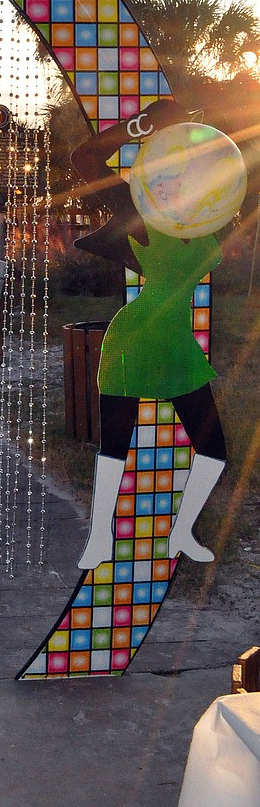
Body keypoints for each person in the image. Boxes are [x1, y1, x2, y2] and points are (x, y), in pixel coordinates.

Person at [72, 100, 237, 570]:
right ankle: (99, 538)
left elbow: (239, 172)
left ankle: (182, 530)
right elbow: (84, 160)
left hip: (177, 344)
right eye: (159, 176)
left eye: (179, 177)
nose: (167, 186)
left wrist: (209, 130)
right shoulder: (138, 213)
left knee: (213, 450)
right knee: (114, 446)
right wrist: (145, 125)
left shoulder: (207, 221)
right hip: (133, 339)